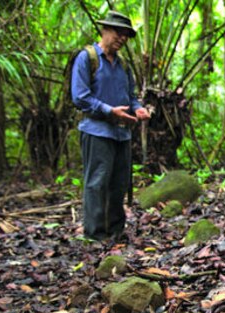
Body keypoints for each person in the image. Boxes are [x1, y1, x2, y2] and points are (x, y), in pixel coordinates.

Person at [71, 10, 150, 241]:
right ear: (105, 30)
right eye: (118, 32)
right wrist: (109, 111)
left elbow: (131, 96)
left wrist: (138, 108)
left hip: (121, 134)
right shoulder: (87, 58)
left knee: (119, 183)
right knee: (97, 183)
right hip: (97, 131)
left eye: (126, 35)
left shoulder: (123, 65)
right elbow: (80, 97)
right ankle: (95, 234)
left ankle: (116, 231)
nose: (122, 38)